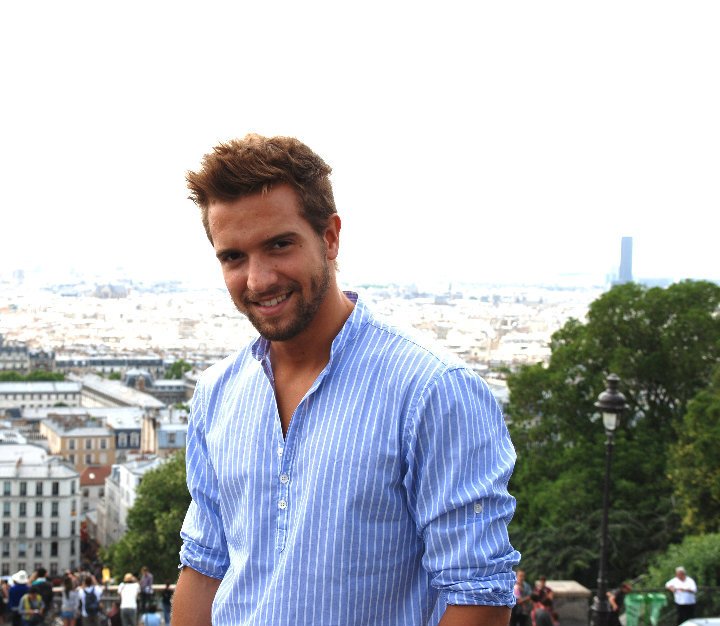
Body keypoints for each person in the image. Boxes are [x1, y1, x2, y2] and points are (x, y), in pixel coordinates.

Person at [173, 134, 520, 626]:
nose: (258, 279)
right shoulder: (217, 393)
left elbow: (478, 596)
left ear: (330, 237)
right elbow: (205, 565)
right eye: (233, 257)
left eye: (279, 245)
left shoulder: (432, 390)